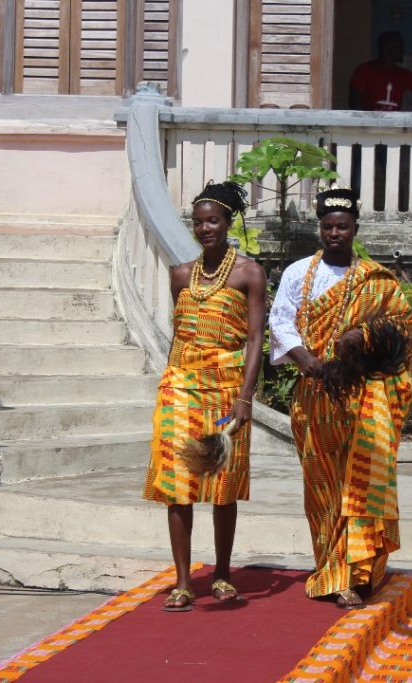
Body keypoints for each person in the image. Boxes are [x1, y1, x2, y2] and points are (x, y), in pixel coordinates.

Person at [268, 186, 412, 608]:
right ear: (321, 228)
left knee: (360, 484)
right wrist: (305, 359)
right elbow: (281, 321)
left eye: (343, 227)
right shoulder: (299, 272)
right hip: (315, 396)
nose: (334, 233)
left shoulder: (375, 279)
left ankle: (359, 572)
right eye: (328, 226)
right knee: (322, 487)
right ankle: (331, 568)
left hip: (364, 400)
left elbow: (401, 329)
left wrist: (362, 339)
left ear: (354, 229)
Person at [142, 180, 266, 612]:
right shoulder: (180, 275)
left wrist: (246, 396)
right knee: (177, 484)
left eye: (213, 220)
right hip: (181, 385)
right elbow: (177, 336)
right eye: (198, 222)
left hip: (227, 387)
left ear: (229, 223)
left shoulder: (249, 273)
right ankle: (181, 581)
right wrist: (169, 383)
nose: (205, 228)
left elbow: (255, 338)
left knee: (222, 486)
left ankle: (223, 574)